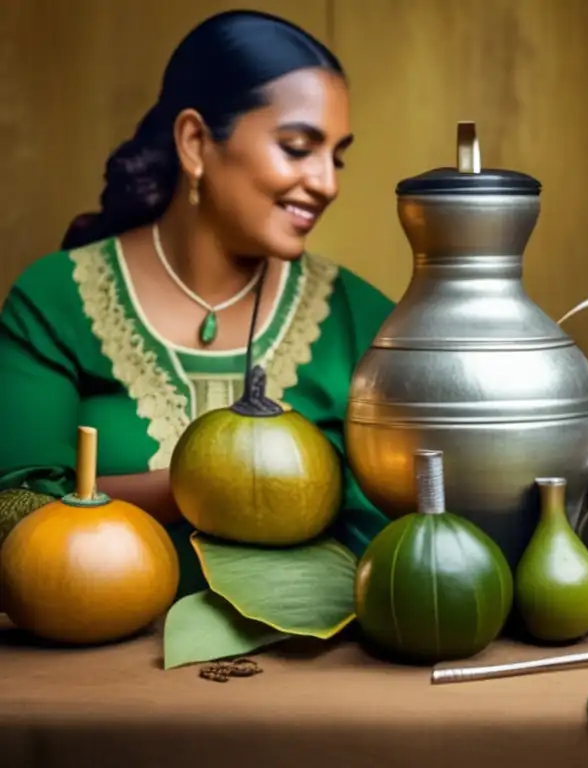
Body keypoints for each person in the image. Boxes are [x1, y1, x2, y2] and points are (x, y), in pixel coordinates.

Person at [0, 10, 394, 597]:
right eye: (297, 147)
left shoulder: (363, 321)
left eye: (336, 156)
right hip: (89, 662)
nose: (327, 182)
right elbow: (13, 510)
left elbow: (393, 534)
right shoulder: (54, 302)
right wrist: (206, 486)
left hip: (319, 663)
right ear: (195, 142)